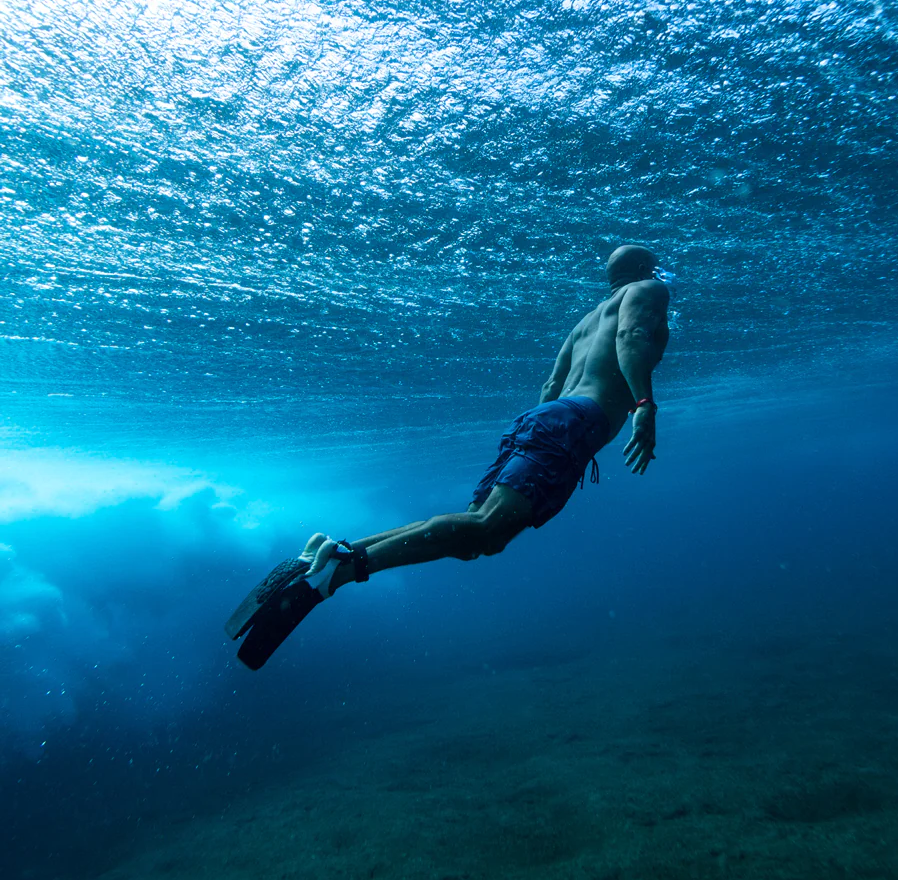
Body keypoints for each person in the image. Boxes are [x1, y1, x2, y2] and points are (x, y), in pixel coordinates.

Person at [226, 244, 670, 669]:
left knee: (478, 537)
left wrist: (552, 430)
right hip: (573, 423)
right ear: (646, 271)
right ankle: (336, 576)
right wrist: (643, 406)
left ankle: (335, 555)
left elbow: (550, 388)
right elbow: (632, 336)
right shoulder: (648, 290)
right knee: (482, 531)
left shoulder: (586, 320)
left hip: (544, 420)